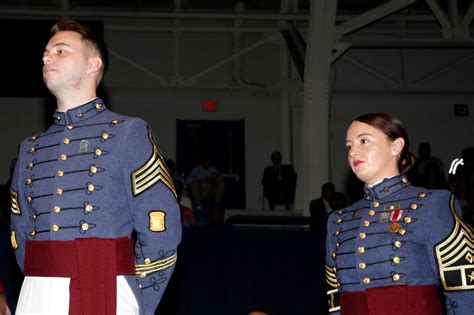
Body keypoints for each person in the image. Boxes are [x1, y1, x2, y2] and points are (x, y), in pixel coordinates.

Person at [9, 19, 181, 315]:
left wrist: (134, 297)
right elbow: (19, 231)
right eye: (46, 54)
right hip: (35, 291)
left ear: (93, 64)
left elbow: (160, 226)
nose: (47, 58)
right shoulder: (30, 147)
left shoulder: (129, 132)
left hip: (104, 287)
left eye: (61, 51)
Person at [325, 113, 474, 314]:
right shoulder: (339, 220)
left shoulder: (431, 204)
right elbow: (335, 299)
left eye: (364, 141)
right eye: (349, 146)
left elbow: (464, 289)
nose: (353, 152)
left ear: (396, 146)